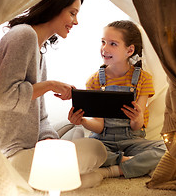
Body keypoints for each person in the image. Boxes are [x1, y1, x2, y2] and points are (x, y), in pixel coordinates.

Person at [0, 0, 107, 188]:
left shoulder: (39, 48)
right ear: (55, 7)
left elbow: (41, 116)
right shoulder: (23, 35)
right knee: (96, 150)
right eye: (72, 13)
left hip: (31, 145)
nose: (76, 21)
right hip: (10, 154)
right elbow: (3, 97)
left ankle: (62, 178)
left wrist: (48, 140)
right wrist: (49, 85)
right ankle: (101, 173)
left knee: (77, 130)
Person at [68, 20, 166, 179]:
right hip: (103, 141)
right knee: (77, 150)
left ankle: (113, 170)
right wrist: (82, 121)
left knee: (166, 150)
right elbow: (99, 127)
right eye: (103, 42)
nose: (104, 48)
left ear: (130, 50)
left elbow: (136, 127)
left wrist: (137, 117)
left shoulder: (143, 79)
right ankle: (127, 162)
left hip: (133, 140)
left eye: (113, 44)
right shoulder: (94, 81)